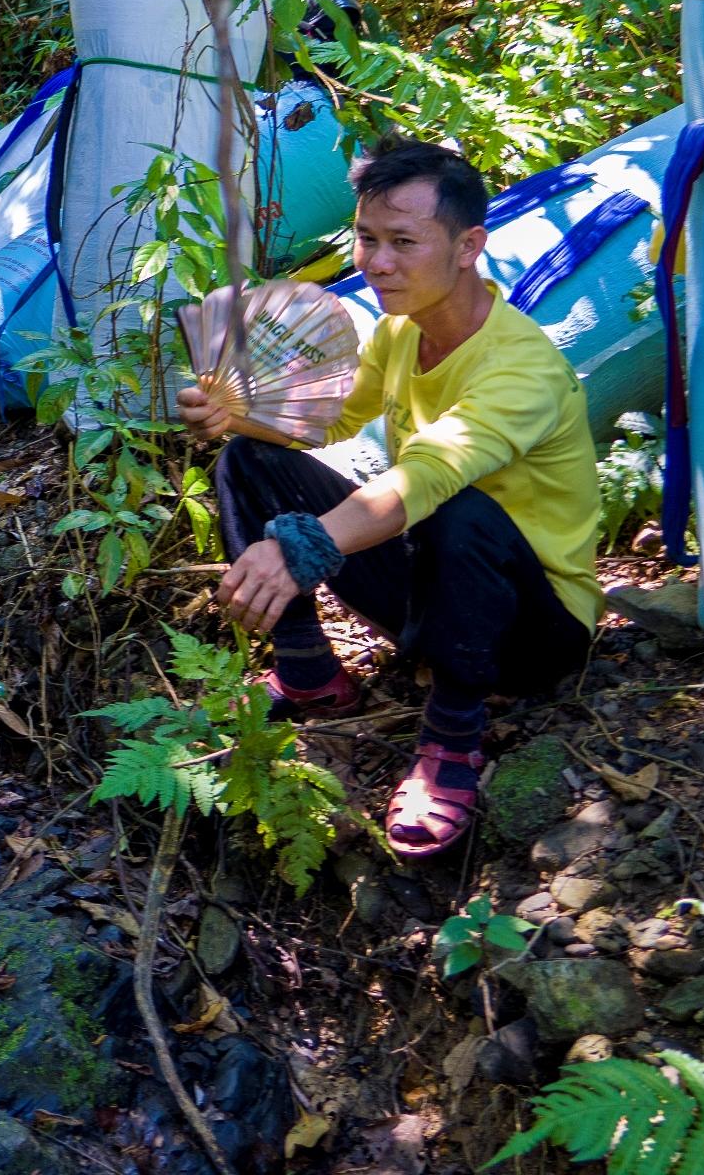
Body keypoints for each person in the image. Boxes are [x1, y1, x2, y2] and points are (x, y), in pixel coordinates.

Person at [175, 135, 600, 863]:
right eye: (368, 239)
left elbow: (429, 476)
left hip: (535, 631)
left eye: (403, 241)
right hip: (436, 587)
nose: (375, 262)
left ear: (469, 246)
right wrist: (233, 417)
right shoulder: (400, 332)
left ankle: (451, 741)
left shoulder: (521, 369)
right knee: (251, 459)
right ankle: (310, 673)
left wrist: (302, 546)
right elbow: (335, 422)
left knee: (460, 508)